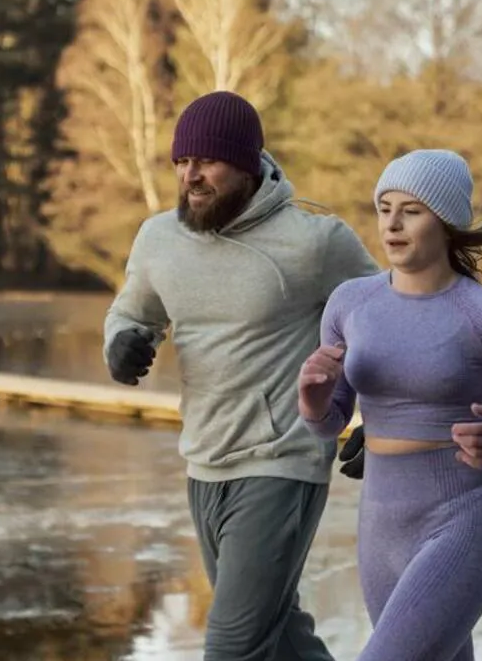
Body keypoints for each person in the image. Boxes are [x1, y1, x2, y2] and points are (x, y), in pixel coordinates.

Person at [104, 90, 381, 661]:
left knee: (233, 647)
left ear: (248, 163)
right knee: (280, 640)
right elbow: (133, 312)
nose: (191, 175)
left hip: (282, 462)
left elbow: (388, 326)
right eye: (182, 162)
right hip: (203, 459)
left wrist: (377, 419)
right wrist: (121, 344)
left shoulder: (314, 243)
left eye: (206, 161)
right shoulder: (158, 239)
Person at [297, 149, 482, 661]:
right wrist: (313, 400)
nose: (391, 222)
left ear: (446, 221)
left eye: (410, 210)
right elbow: (332, 424)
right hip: (380, 526)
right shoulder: (350, 303)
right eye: (384, 207)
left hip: (462, 522)